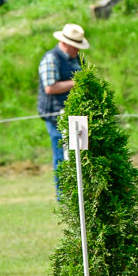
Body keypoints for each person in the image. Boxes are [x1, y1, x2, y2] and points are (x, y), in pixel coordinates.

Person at [38, 23, 90, 195]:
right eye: (75, 46)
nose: (77, 50)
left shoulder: (75, 58)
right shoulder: (51, 58)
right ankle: (63, 197)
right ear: (66, 43)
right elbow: (50, 87)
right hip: (56, 115)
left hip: (74, 114)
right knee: (61, 157)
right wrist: (76, 83)